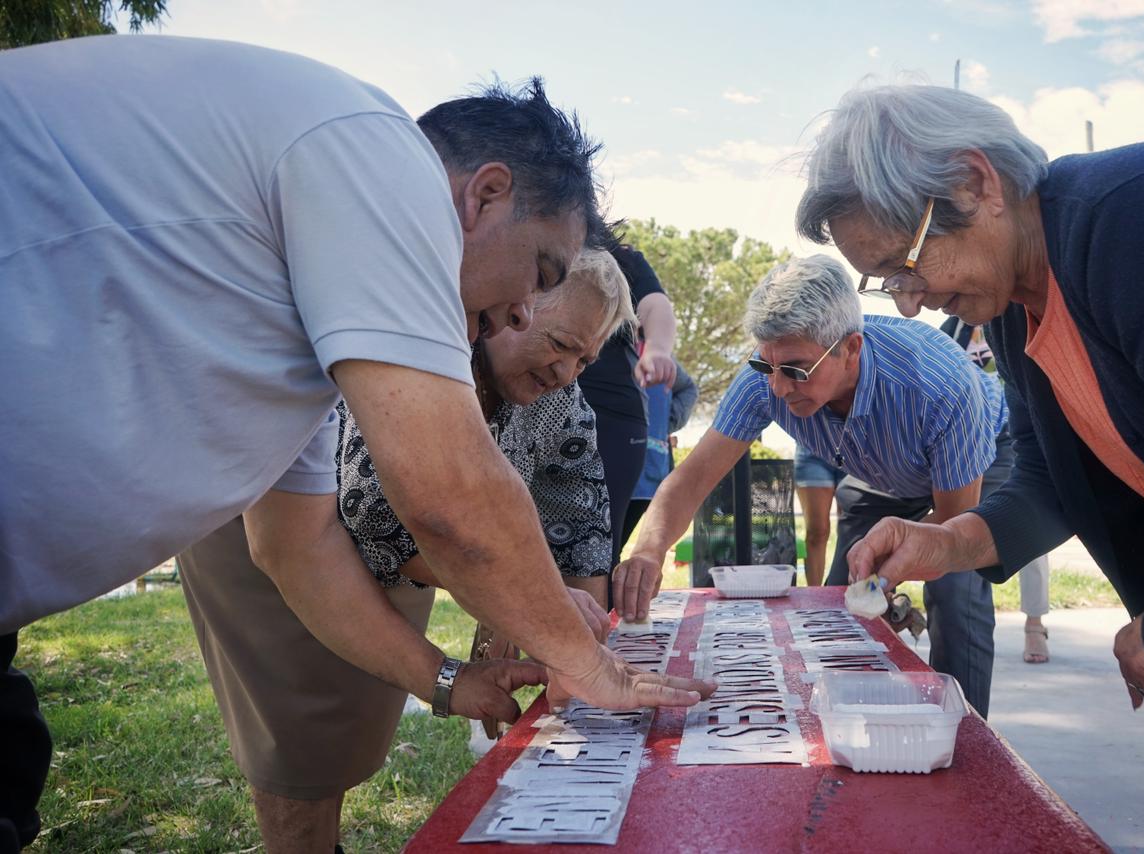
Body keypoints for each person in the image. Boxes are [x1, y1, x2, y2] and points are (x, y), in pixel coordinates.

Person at [0, 37, 707, 850]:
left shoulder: (305, 309)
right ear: (484, 196)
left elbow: (295, 545)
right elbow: (449, 501)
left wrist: (446, 684)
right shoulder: (380, 159)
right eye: (540, 270)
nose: (522, 313)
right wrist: (585, 663)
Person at [798, 83, 1144, 850]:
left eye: (907, 265)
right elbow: (1058, 481)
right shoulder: (1018, 304)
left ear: (976, 183)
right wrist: (949, 541)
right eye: (887, 281)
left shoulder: (1136, 218)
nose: (912, 305)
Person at [178, 250, 634, 850]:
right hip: (268, 528)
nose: (568, 371)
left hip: (392, 549)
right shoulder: (418, 353)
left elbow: (581, 529)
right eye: (561, 343)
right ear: (516, 304)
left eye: (586, 358)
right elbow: (371, 520)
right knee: (298, 748)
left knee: (356, 727)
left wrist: (584, 659)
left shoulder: (559, 400)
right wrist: (532, 608)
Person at [613, 254, 1011, 717]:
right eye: (767, 367)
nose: (779, 389)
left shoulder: (939, 382)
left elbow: (948, 529)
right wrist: (648, 550)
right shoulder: (764, 380)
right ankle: (846, 722)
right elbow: (693, 479)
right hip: (881, 472)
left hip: (979, 460)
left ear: (851, 349)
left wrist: (890, 575)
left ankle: (964, 734)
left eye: (797, 370)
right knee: (840, 604)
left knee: (954, 590)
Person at [942, 317, 1051, 663]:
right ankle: (968, 618)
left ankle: (1035, 624)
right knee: (967, 531)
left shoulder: (1011, 323)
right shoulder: (950, 330)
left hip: (1012, 437)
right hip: (965, 440)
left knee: (1029, 529)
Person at [578, 246, 678, 568]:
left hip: (612, 412)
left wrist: (658, 348)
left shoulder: (619, 257)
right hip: (526, 403)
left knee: (599, 555)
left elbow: (655, 303)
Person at [619, 360, 699, 548]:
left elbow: (689, 389)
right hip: (646, 468)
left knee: (606, 550)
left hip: (640, 471)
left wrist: (664, 423)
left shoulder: (659, 360)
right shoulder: (659, 359)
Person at [793, 443, 841, 586]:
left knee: (852, 531)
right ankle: (815, 597)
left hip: (857, 453)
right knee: (817, 532)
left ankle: (854, 595)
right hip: (812, 453)